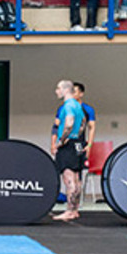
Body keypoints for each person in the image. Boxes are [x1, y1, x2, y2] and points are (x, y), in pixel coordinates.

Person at [51, 79, 85, 222]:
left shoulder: (68, 105)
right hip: (77, 143)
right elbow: (83, 124)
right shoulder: (78, 105)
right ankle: (74, 210)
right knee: (76, 178)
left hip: (68, 144)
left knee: (69, 178)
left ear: (65, 90)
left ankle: (69, 211)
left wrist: (62, 140)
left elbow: (69, 123)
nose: (56, 91)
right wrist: (76, 136)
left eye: (58, 88)